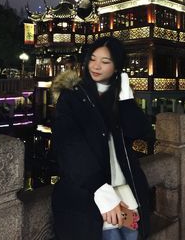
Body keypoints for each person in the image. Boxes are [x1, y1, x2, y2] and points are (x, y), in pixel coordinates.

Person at [51, 36, 152, 240]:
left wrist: (126, 98)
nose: (96, 66)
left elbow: (139, 132)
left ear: (117, 68)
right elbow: (70, 145)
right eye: (93, 59)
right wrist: (100, 190)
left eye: (105, 62)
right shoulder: (72, 96)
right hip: (93, 192)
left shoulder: (117, 97)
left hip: (126, 191)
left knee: (132, 236)